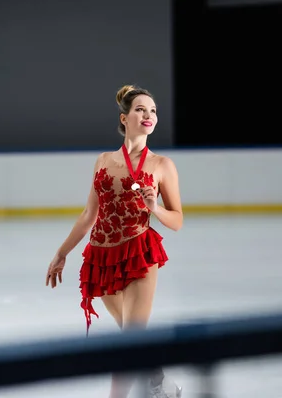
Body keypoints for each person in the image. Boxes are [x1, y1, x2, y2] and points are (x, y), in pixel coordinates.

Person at [46, 84, 183, 398]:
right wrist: (62, 252)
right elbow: (88, 214)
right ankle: (159, 382)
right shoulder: (104, 160)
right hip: (101, 259)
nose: (148, 115)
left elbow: (177, 220)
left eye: (153, 111)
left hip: (139, 253)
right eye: (140, 109)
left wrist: (155, 208)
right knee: (133, 336)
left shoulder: (162, 165)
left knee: (128, 340)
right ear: (124, 119)